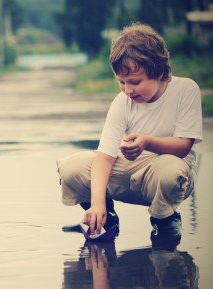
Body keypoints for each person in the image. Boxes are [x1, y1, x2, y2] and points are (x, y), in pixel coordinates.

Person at [57, 23, 202, 244]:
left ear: (160, 72)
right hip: (128, 171)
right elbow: (105, 157)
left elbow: (183, 146)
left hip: (164, 173)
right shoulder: (122, 102)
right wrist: (97, 203)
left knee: (171, 171)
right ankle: (105, 217)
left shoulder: (185, 90)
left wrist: (147, 142)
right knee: (71, 167)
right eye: (121, 82)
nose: (127, 90)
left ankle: (165, 219)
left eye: (135, 82)